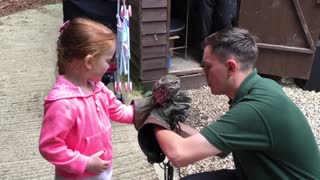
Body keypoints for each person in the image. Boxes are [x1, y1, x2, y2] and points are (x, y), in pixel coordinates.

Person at [151, 27, 320, 179]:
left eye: (207, 67)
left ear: (231, 68)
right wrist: (172, 126)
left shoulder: (255, 108)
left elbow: (179, 154)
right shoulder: (259, 87)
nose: (203, 73)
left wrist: (154, 117)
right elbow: (221, 148)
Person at [39, 18, 134, 180]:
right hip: (77, 175)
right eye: (108, 60)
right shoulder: (63, 102)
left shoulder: (98, 89)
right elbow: (50, 146)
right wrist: (84, 162)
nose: (110, 66)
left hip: (101, 170)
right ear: (89, 61)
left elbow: (119, 111)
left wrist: (147, 109)